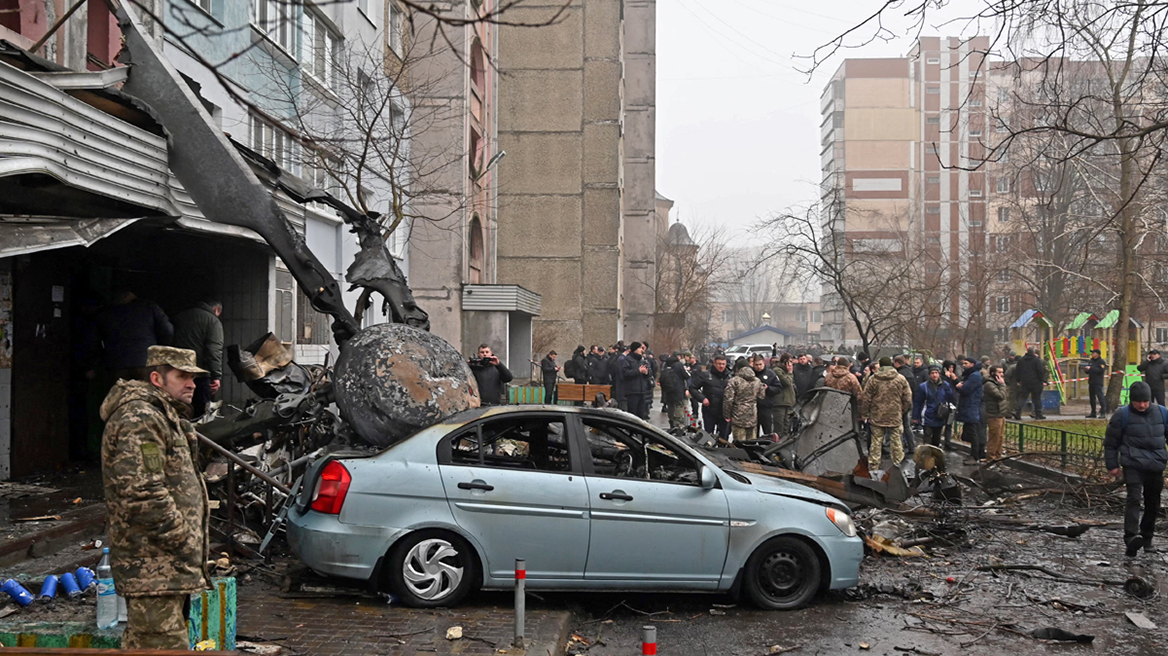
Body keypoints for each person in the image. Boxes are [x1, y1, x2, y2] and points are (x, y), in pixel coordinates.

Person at [100, 346, 209, 649]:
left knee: (147, 646)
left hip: (165, 567)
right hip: (153, 568)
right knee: (160, 648)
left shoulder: (163, 415)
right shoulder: (140, 418)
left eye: (194, 377)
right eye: (182, 376)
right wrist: (184, 540)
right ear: (156, 379)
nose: (191, 384)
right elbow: (142, 491)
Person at [1104, 381, 1168, 557]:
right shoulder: (1121, 415)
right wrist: (1112, 465)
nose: (1142, 405)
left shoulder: (1162, 413)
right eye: (1138, 401)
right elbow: (1111, 443)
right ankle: (1131, 538)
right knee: (1134, 499)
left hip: (1156, 465)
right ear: (1131, 400)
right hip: (1133, 464)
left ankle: (1147, 538)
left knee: (1153, 503)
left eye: (1145, 401)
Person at [91, 290, 174, 383]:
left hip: (116, 364)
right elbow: (168, 330)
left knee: (120, 396)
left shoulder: (105, 312)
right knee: (146, 395)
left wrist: (94, 365)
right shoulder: (149, 307)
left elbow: (93, 341)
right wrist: (159, 349)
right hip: (145, 362)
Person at [170, 298, 224, 417]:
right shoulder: (212, 321)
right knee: (201, 411)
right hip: (200, 373)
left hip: (177, 370)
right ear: (216, 310)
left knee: (179, 409)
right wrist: (216, 376)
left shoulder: (180, 316)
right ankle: (198, 434)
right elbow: (214, 350)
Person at [862, 357, 913, 472]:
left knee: (876, 442)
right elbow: (908, 398)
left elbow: (866, 398)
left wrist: (865, 414)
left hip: (877, 416)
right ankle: (898, 467)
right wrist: (901, 410)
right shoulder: (900, 378)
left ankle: (874, 468)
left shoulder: (873, 379)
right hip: (895, 416)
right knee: (896, 441)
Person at [913, 366, 957, 448]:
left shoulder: (945, 385)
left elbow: (951, 398)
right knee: (927, 437)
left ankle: (935, 456)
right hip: (927, 415)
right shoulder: (923, 387)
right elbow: (918, 402)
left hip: (940, 415)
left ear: (939, 374)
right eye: (932, 373)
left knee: (937, 439)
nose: (934, 375)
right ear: (929, 375)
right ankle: (927, 456)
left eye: (936, 373)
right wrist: (915, 416)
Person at [689, 354, 731, 438]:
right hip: (709, 410)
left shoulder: (729, 376)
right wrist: (702, 398)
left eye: (723, 364)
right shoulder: (705, 375)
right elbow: (693, 388)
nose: (721, 366)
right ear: (714, 364)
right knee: (708, 436)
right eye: (719, 364)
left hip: (724, 412)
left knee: (724, 437)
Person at [723, 359, 764, 443]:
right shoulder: (757, 381)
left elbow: (728, 399)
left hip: (738, 417)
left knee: (739, 444)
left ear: (737, 369)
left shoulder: (734, 381)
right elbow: (762, 396)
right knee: (751, 444)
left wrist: (727, 415)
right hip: (752, 417)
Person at [956, 356, 986, 462]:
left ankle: (974, 456)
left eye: (966, 363)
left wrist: (958, 387)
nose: (963, 365)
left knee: (973, 432)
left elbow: (966, 389)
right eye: (963, 363)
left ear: (972, 365)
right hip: (970, 406)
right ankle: (976, 454)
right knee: (970, 432)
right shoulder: (972, 375)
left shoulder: (974, 376)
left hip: (972, 406)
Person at [620, 342, 653, 419]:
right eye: (640, 348)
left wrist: (646, 372)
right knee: (632, 414)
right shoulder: (628, 359)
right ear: (635, 349)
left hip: (642, 391)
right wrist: (638, 371)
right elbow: (625, 373)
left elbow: (650, 373)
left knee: (641, 414)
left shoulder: (643, 360)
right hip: (632, 391)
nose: (642, 350)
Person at [983, 365, 1010, 460]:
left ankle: (998, 458)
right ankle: (991, 458)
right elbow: (1000, 396)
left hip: (1000, 414)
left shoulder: (997, 383)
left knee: (1000, 437)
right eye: (999, 372)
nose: (1002, 374)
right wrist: (1002, 385)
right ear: (993, 373)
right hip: (994, 414)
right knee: (994, 437)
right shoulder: (989, 384)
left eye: (1002, 372)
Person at [751, 354, 782, 435]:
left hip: (766, 407)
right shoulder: (750, 374)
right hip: (752, 408)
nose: (758, 367)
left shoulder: (770, 374)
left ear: (764, 363)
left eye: (760, 364)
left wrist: (768, 388)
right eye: (756, 365)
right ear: (753, 364)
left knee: (767, 430)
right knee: (753, 433)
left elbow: (778, 388)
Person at [658, 352, 690, 429]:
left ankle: (671, 421)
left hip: (668, 391)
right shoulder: (679, 365)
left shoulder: (666, 367)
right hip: (678, 389)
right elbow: (686, 376)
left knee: (671, 406)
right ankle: (678, 422)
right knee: (679, 405)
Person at [1015, 347, 1048, 419]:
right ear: (1033, 352)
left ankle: (1017, 412)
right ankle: (1038, 414)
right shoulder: (1036, 360)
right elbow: (1040, 371)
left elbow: (1017, 371)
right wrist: (1041, 380)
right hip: (1036, 382)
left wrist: (1018, 380)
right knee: (1037, 399)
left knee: (1023, 398)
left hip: (1025, 382)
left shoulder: (1021, 360)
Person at [894, 355, 917, 453]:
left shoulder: (899, 375)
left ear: (897, 363)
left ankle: (901, 447)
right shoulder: (910, 372)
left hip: (900, 403)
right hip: (909, 402)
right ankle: (911, 446)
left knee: (900, 427)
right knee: (907, 426)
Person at [771, 354, 797, 437]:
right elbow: (787, 382)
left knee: (786, 426)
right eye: (790, 362)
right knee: (779, 426)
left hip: (788, 402)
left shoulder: (786, 372)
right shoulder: (777, 370)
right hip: (780, 402)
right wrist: (790, 373)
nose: (791, 365)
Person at [1084, 349, 1109, 418]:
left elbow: (1101, 370)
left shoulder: (1101, 362)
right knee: (1092, 398)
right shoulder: (1091, 361)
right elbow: (1090, 371)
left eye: (1094, 353)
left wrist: (1091, 368)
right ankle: (1093, 412)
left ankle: (1103, 413)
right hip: (1091, 382)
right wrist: (1086, 370)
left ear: (1098, 354)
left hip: (1098, 382)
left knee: (1100, 397)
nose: (1092, 354)